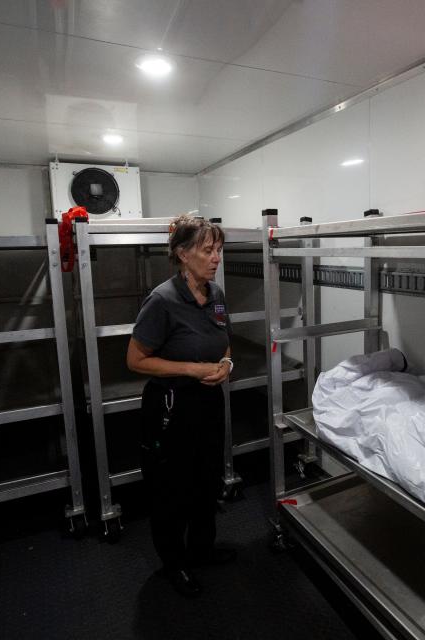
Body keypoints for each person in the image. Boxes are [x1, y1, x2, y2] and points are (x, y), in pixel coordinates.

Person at [127, 214, 237, 597]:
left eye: (219, 250)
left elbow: (224, 343)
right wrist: (191, 368)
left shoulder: (217, 295)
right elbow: (136, 360)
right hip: (171, 407)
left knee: (207, 481)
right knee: (172, 488)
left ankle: (202, 551)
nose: (216, 258)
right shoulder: (162, 300)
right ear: (182, 254)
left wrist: (226, 365)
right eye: (208, 250)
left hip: (208, 402)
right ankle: (174, 564)